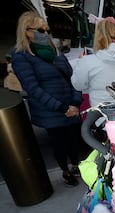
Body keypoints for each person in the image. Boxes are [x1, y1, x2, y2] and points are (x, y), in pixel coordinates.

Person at [12, 11, 82, 186]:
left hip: (70, 106)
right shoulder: (21, 56)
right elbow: (33, 88)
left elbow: (73, 77)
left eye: (46, 29)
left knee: (73, 141)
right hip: (52, 111)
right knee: (59, 144)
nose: (46, 33)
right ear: (26, 31)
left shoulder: (55, 49)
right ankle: (66, 172)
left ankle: (75, 166)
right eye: (41, 30)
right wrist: (62, 108)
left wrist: (75, 102)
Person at [71, 16, 115, 108]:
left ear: (98, 37)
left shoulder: (87, 61)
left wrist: (80, 62)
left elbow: (78, 85)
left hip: (102, 118)